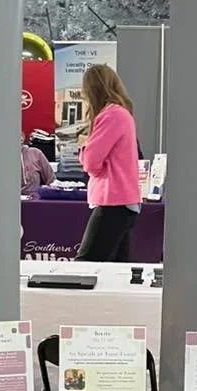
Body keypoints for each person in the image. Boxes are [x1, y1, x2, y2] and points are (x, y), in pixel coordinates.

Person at [75, 65, 141, 262]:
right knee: (117, 268)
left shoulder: (111, 115)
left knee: (85, 264)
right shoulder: (122, 114)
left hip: (111, 200)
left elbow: (90, 163)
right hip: (124, 201)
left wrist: (84, 147)